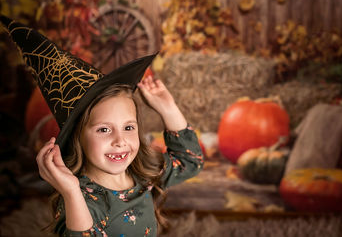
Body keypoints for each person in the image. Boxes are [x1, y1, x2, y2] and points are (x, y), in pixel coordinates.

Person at [0, 15, 203, 236]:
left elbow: (190, 161)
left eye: (128, 127)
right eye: (104, 129)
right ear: (78, 137)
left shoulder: (142, 173)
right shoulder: (82, 199)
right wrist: (71, 192)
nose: (120, 141)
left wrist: (168, 109)